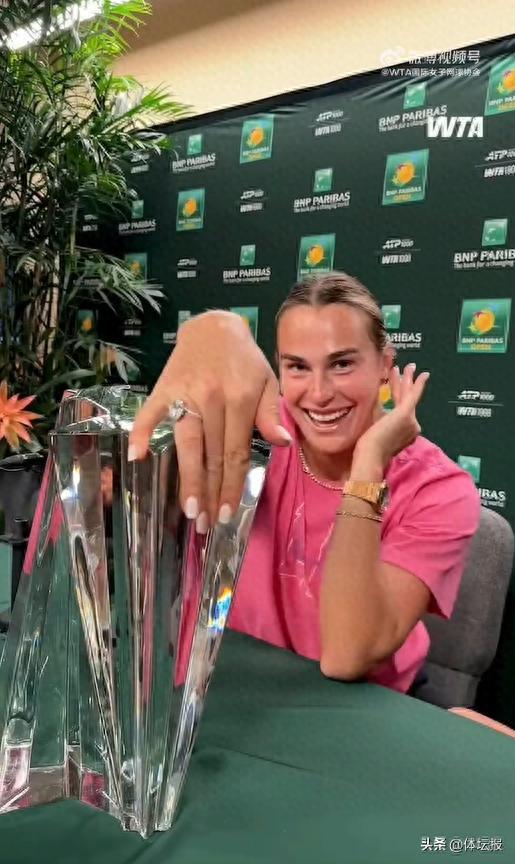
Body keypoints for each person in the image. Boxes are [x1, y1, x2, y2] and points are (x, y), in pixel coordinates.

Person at [130, 270, 482, 699]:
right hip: (223, 686)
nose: (318, 393)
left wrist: (368, 465)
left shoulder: (440, 489)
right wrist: (213, 328)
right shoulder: (251, 432)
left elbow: (347, 657)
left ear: (385, 365)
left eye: (342, 364)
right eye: (297, 366)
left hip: (354, 705)